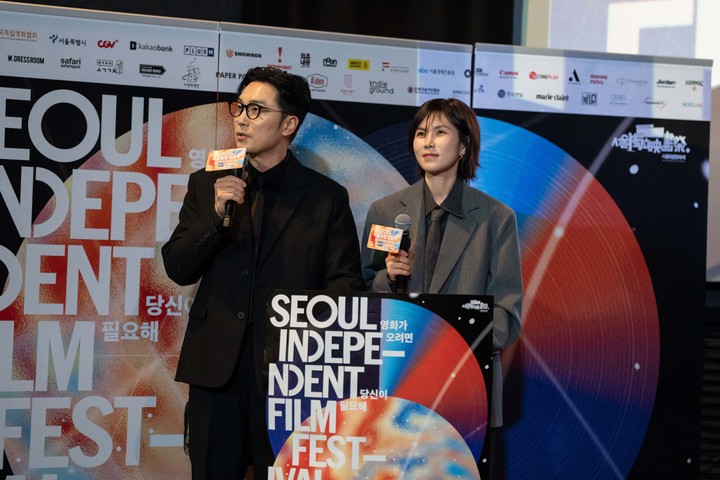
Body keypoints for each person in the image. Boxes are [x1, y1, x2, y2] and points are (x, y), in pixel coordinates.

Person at [162, 66, 365, 480]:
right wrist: (215, 216)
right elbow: (178, 267)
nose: (241, 119)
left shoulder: (325, 198)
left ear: (289, 124)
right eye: (239, 107)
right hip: (215, 369)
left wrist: (310, 338)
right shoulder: (207, 183)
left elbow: (344, 283)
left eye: (256, 110)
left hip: (291, 374)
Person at [361, 97, 523, 474]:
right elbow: (364, 297)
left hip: (465, 389)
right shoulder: (386, 212)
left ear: (464, 145)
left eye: (440, 132)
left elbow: (506, 317)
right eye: (421, 133)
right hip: (395, 387)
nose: (428, 142)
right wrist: (390, 278)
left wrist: (448, 343)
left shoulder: (496, 219)